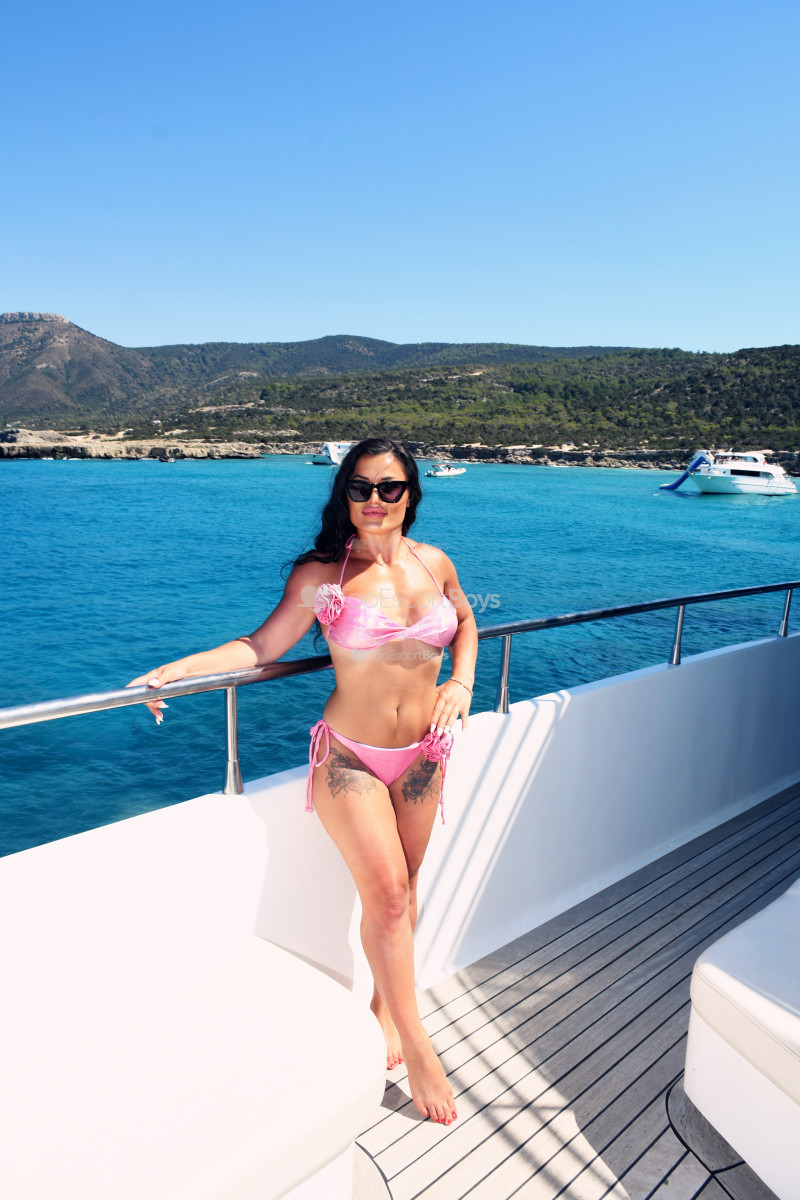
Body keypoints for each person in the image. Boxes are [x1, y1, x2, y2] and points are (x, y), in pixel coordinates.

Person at [128, 436, 478, 1124]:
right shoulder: (324, 575)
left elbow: (465, 620)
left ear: (411, 495)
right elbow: (260, 647)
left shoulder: (434, 562)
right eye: (360, 487)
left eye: (389, 488)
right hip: (350, 758)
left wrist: (462, 681)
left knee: (407, 889)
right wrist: (177, 669)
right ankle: (418, 1043)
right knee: (387, 896)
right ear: (343, 494)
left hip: (426, 753)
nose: (374, 500)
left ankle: (383, 1010)